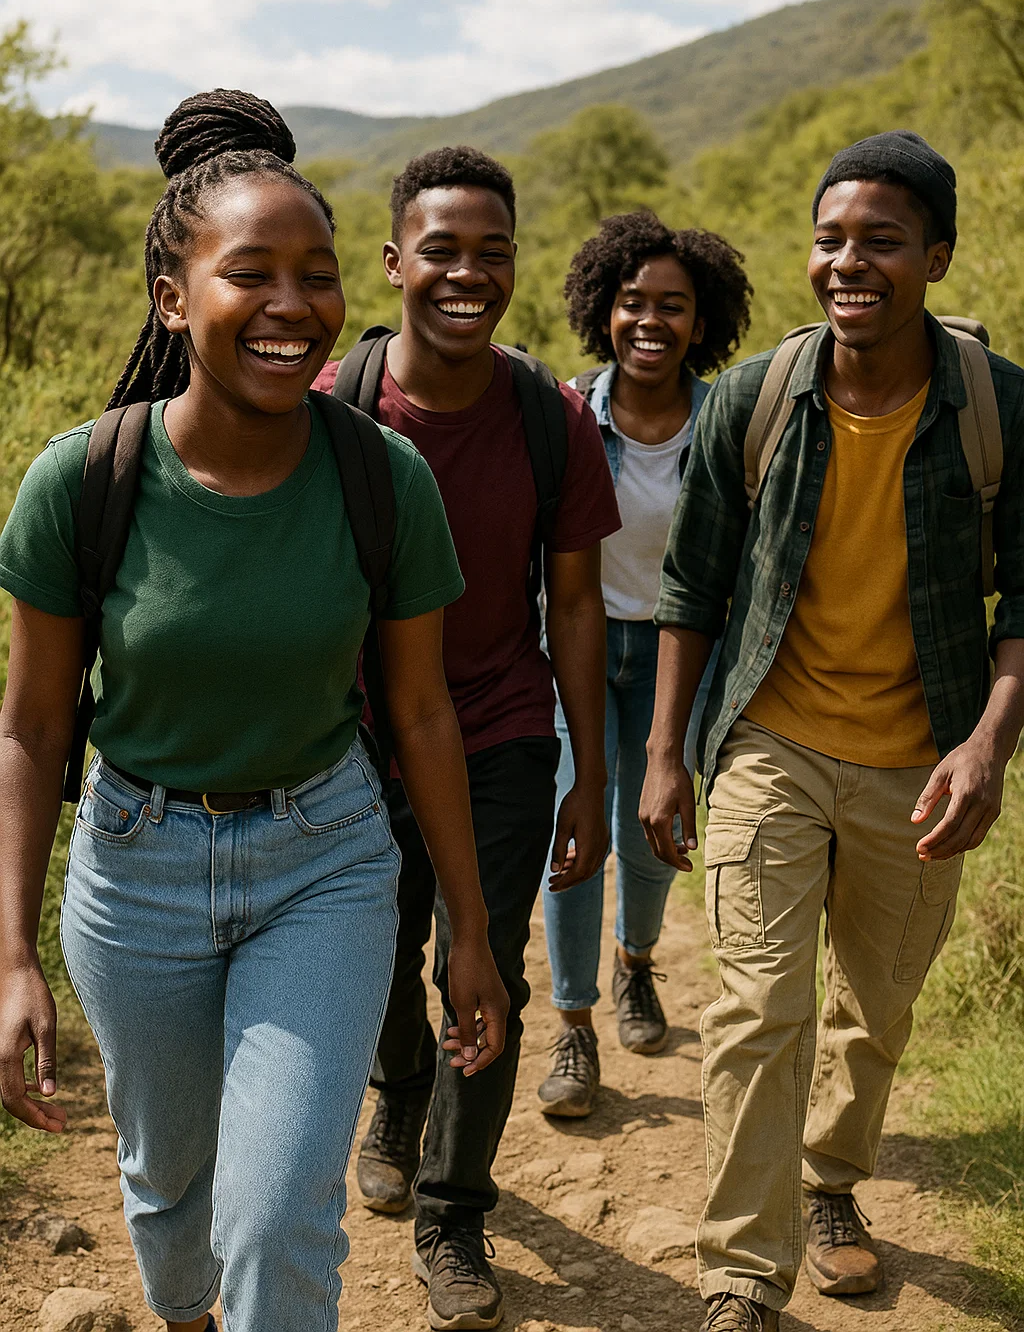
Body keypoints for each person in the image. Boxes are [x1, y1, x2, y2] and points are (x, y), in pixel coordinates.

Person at [0, 93, 508, 1332]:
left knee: (277, 1217)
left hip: (323, 864)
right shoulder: (86, 479)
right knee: (170, 1195)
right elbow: (31, 726)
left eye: (317, 275)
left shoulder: (381, 479)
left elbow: (423, 712)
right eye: (251, 273)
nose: (293, 305)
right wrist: (12, 950)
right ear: (175, 298)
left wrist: (473, 933)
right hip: (136, 872)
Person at [640, 130, 1024, 1332]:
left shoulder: (998, 408)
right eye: (829, 239)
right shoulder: (756, 398)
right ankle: (741, 1278)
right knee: (759, 1009)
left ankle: (830, 1185)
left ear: (937, 257)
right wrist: (664, 756)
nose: (847, 261)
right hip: (772, 743)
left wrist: (986, 747)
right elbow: (692, 588)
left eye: (881, 241)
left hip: (922, 759)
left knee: (874, 1007)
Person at [313, 145, 619, 1331]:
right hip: (347, 744)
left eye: (491, 252)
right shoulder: (332, 407)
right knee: (377, 961)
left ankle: (452, 1212)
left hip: (495, 729)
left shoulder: (546, 420)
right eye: (441, 250)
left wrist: (590, 773)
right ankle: (397, 1092)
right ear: (394, 263)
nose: (466, 273)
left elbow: (577, 602)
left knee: (478, 963)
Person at [536, 212, 752, 1119]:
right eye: (632, 303)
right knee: (573, 832)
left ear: (703, 322)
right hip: (574, 649)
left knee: (657, 827)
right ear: (604, 311)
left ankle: (636, 964)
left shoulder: (730, 422)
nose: (651, 321)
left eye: (673, 305)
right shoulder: (567, 413)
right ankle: (574, 1026)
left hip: (680, 654)